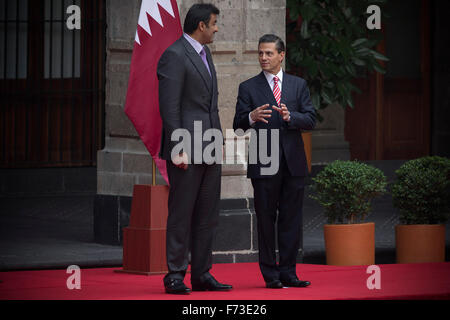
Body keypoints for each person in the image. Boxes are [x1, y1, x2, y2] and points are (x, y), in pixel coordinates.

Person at [157, 3, 232, 295]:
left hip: (210, 146)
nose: (216, 29)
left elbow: (207, 104)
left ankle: (201, 274)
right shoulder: (174, 55)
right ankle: (175, 276)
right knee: (181, 214)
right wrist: (179, 148)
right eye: (214, 24)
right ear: (201, 25)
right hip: (186, 149)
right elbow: (169, 107)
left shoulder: (205, 52)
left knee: (207, 215)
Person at [233, 34, 316, 289]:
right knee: (266, 219)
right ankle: (270, 275)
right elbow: (237, 126)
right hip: (263, 160)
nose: (263, 58)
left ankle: (289, 273)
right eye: (260, 53)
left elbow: (311, 119)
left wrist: (293, 117)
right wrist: (251, 116)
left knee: (291, 219)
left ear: (281, 55)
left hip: (293, 162)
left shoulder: (298, 85)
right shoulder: (248, 87)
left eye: (269, 53)